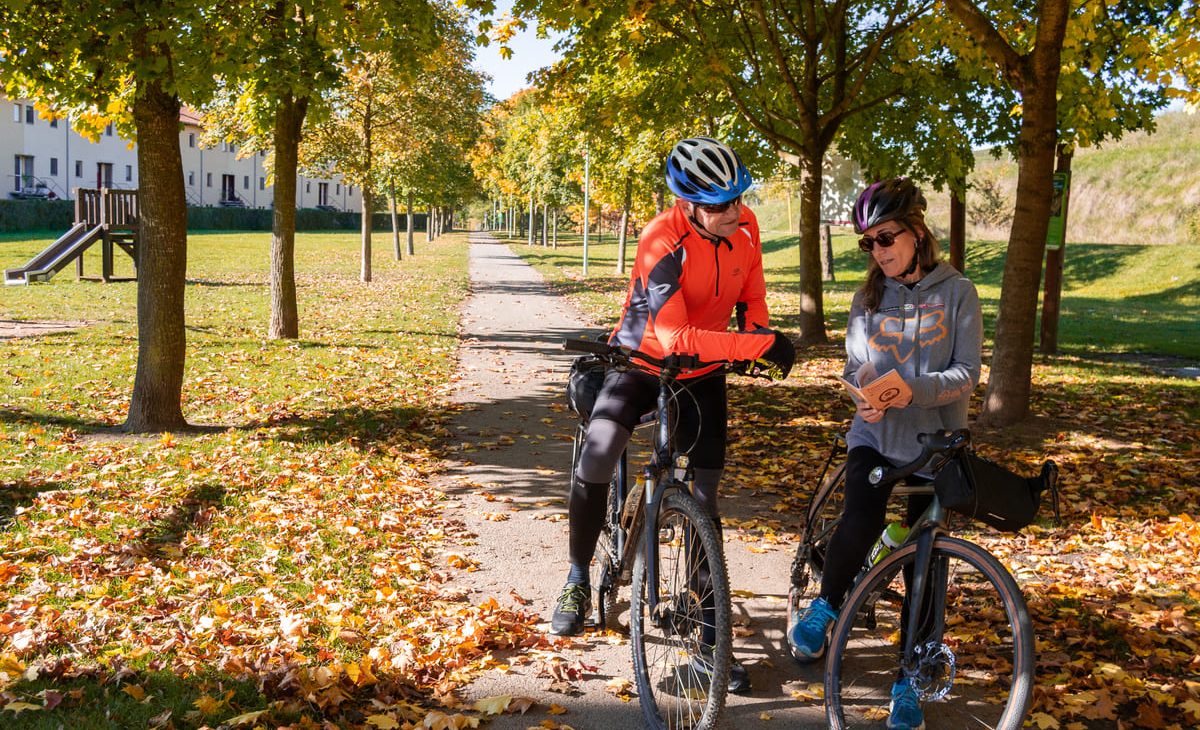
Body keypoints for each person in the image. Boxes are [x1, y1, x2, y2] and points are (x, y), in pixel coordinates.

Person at [550, 137, 796, 695]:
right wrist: (759, 348)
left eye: (738, 200)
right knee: (599, 454)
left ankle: (711, 642)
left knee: (704, 506)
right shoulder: (661, 239)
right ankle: (578, 577)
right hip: (641, 361)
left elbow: (751, 301)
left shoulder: (745, 228)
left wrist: (757, 332)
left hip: (703, 373)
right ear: (687, 204)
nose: (734, 213)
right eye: (720, 206)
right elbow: (676, 336)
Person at [786, 178, 982, 730]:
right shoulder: (868, 297)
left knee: (927, 565)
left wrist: (911, 390)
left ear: (918, 232)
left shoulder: (959, 292)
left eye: (887, 237)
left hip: (937, 445)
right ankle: (827, 607)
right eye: (867, 242)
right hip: (874, 435)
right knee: (862, 515)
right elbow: (854, 366)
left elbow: (966, 374)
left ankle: (909, 681)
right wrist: (866, 391)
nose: (878, 250)